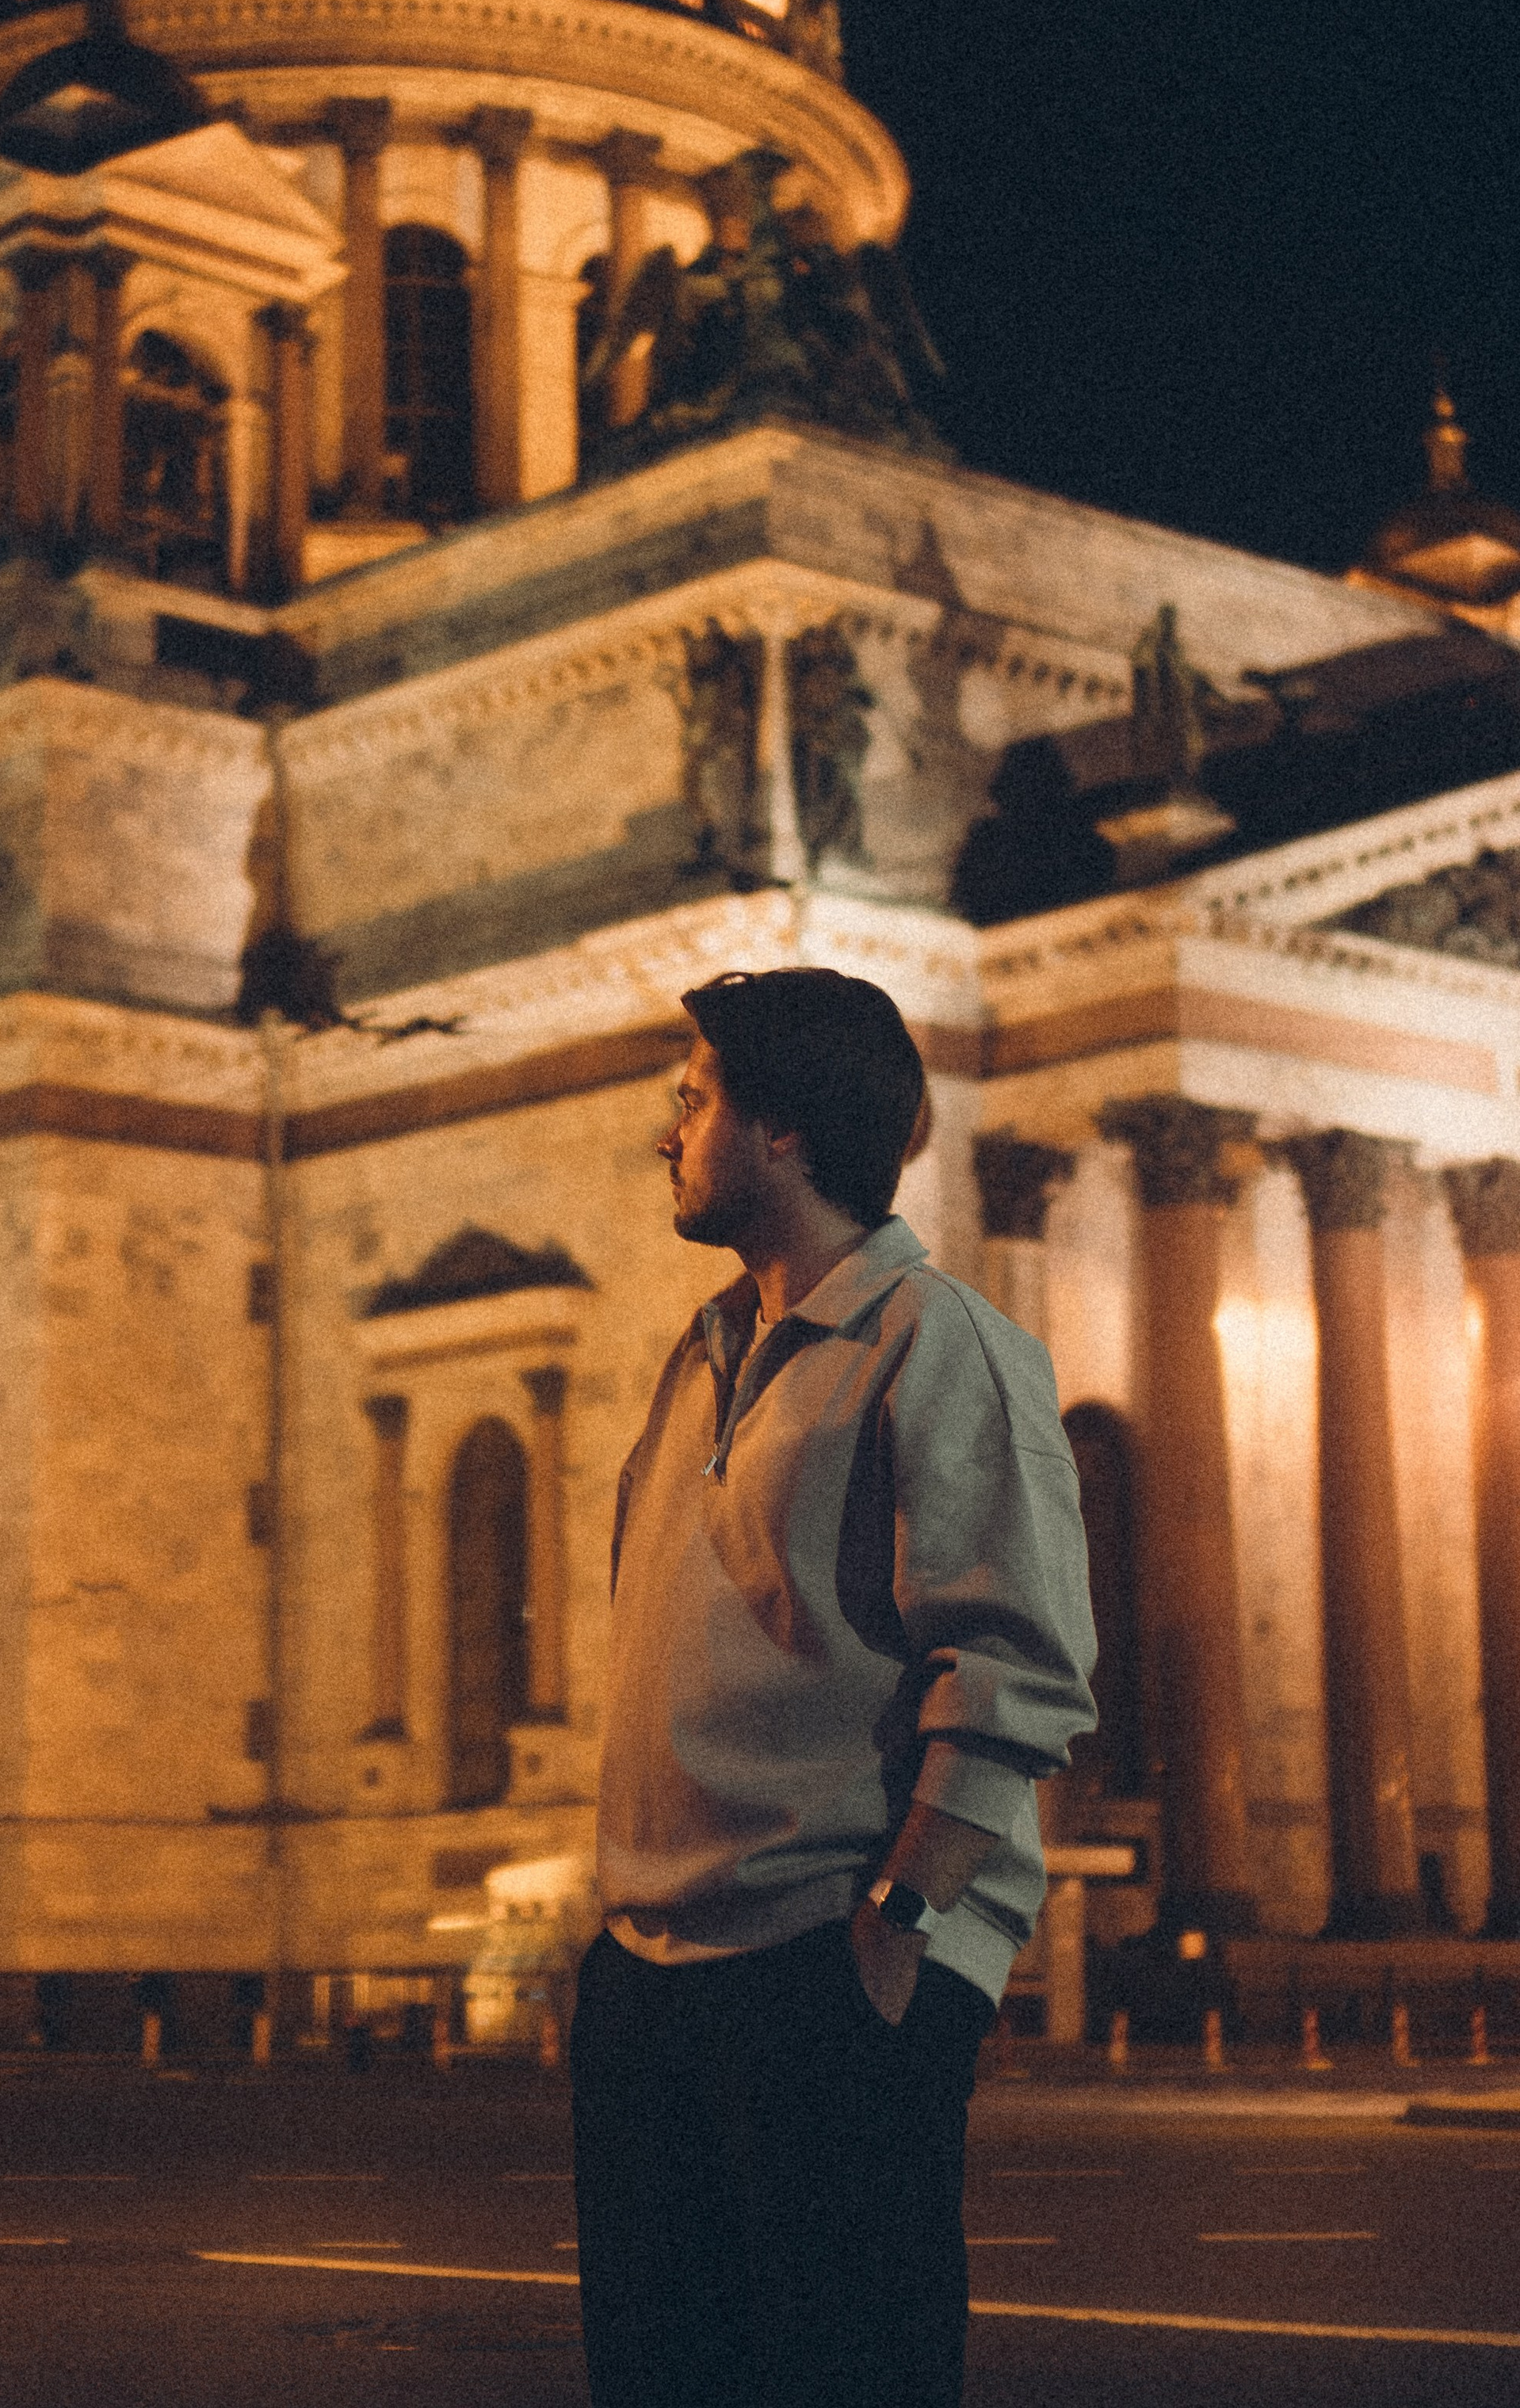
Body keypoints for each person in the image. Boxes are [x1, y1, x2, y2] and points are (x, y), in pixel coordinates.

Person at [572, 967, 1098, 2408]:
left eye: (694, 1100)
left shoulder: (944, 1346)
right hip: (652, 1972)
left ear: (786, 1130)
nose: (666, 1132)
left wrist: (901, 1919)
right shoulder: (704, 1353)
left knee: (844, 2370)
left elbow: (1015, 1669)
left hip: (827, 1961)